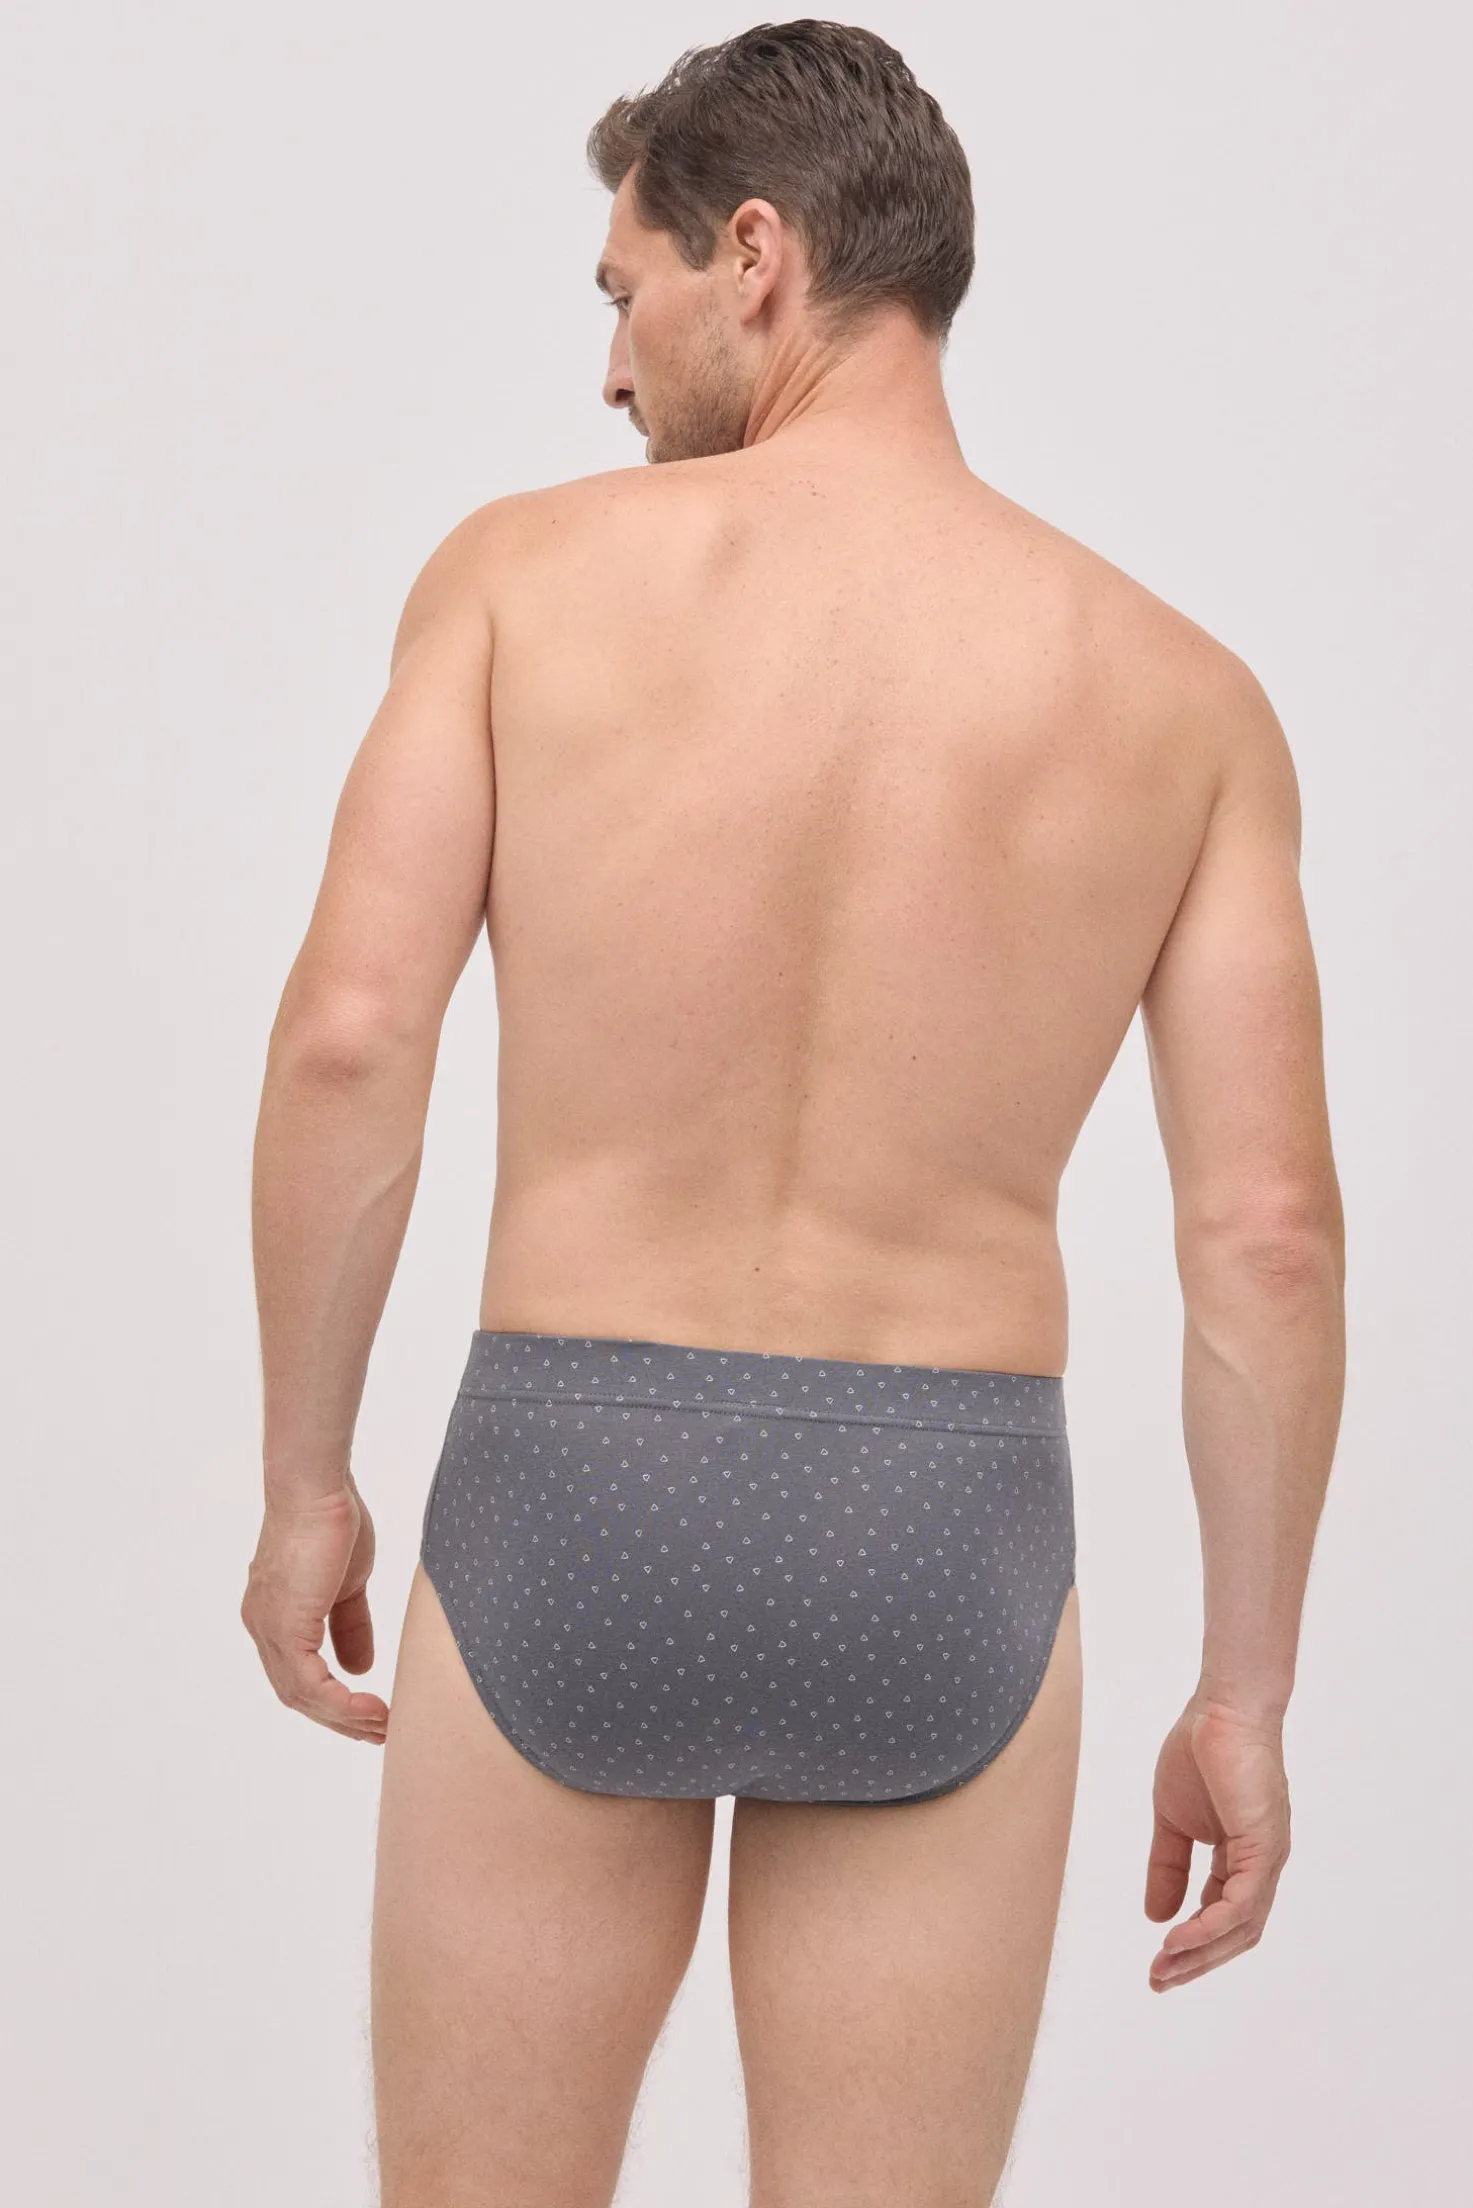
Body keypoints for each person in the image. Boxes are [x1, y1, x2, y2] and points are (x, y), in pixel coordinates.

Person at [240, 20, 1345, 2205]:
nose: (609, 366)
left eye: (623, 291)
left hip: (573, 1487)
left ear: (754, 255)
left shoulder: (521, 581)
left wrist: (302, 1481)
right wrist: (1244, 1692)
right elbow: (1268, 1235)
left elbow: (352, 1036)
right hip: (943, 1536)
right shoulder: (1182, 698)